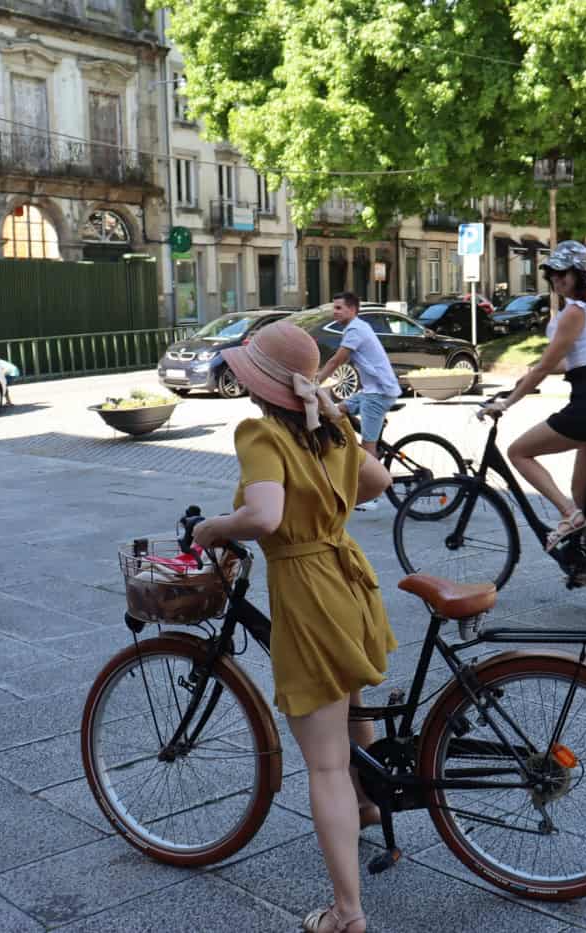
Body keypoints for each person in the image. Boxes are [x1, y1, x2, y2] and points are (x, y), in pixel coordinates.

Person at [193, 321, 396, 933]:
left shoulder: (259, 430)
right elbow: (380, 483)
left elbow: (264, 514)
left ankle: (347, 913)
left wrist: (213, 530)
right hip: (350, 579)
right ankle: (366, 806)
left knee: (325, 764)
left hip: (308, 591)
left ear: (259, 384)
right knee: (352, 698)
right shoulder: (330, 426)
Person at [480, 241, 586, 551]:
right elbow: (566, 363)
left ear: (579, 275)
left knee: (518, 452)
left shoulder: (575, 312)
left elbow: (546, 365)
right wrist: (523, 379)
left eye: (563, 273)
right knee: (580, 489)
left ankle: (568, 514)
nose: (557, 280)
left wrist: (507, 402)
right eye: (552, 275)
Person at [316, 291, 402, 511]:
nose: (334, 312)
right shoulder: (358, 327)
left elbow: (337, 360)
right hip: (370, 391)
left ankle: (372, 494)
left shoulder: (355, 329)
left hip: (378, 393)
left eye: (339, 308)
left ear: (352, 310)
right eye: (333, 307)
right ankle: (351, 455)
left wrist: (314, 382)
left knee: (367, 446)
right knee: (336, 412)